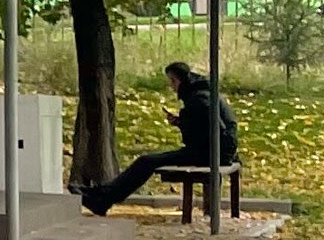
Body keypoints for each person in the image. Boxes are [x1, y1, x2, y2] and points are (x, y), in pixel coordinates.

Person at [82, 62, 237, 215]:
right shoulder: (203, 93)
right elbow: (204, 126)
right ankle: (103, 194)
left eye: (173, 81)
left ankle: (104, 199)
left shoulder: (199, 98)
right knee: (148, 161)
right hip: (215, 150)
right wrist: (180, 122)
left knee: (146, 161)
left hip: (213, 153)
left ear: (182, 80)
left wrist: (185, 124)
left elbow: (214, 129)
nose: (172, 86)